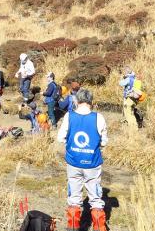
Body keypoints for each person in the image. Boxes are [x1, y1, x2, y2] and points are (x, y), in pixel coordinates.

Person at [57, 89, 108, 231]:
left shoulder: (69, 116)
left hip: (73, 162)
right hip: (92, 162)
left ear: (76, 101)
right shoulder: (99, 118)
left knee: (74, 196)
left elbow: (60, 138)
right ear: (91, 102)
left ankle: (73, 226)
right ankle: (99, 227)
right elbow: (104, 142)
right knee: (96, 198)